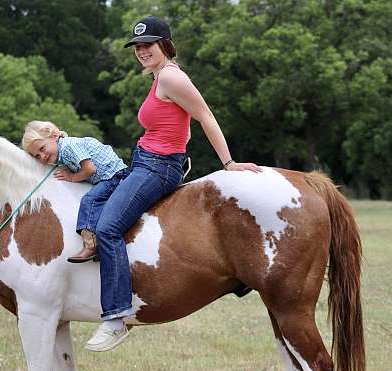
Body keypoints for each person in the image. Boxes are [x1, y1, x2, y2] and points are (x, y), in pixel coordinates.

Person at [84, 15, 262, 352]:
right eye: (137, 46)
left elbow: (204, 116)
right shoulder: (158, 78)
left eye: (148, 45)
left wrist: (229, 163)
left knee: (108, 228)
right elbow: (181, 127)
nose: (141, 51)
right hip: (145, 162)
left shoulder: (170, 77)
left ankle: (116, 318)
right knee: (94, 198)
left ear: (164, 44)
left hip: (156, 168)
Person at [22, 121, 130, 263]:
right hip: (107, 177)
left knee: (89, 200)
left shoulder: (68, 146)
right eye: (36, 156)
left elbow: (90, 169)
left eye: (42, 148)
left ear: (54, 135)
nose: (42, 156)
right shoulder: (61, 155)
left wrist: (72, 177)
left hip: (113, 175)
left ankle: (91, 245)